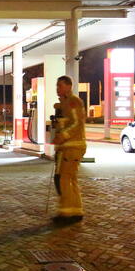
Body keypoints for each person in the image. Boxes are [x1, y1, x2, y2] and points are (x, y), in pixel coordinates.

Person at [52, 75, 87, 225]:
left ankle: (67, 213)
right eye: (57, 85)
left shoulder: (74, 102)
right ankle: (75, 211)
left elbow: (78, 123)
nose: (57, 89)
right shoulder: (63, 104)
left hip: (73, 146)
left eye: (60, 85)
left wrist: (63, 135)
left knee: (64, 179)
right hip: (66, 147)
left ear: (68, 86)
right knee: (69, 178)